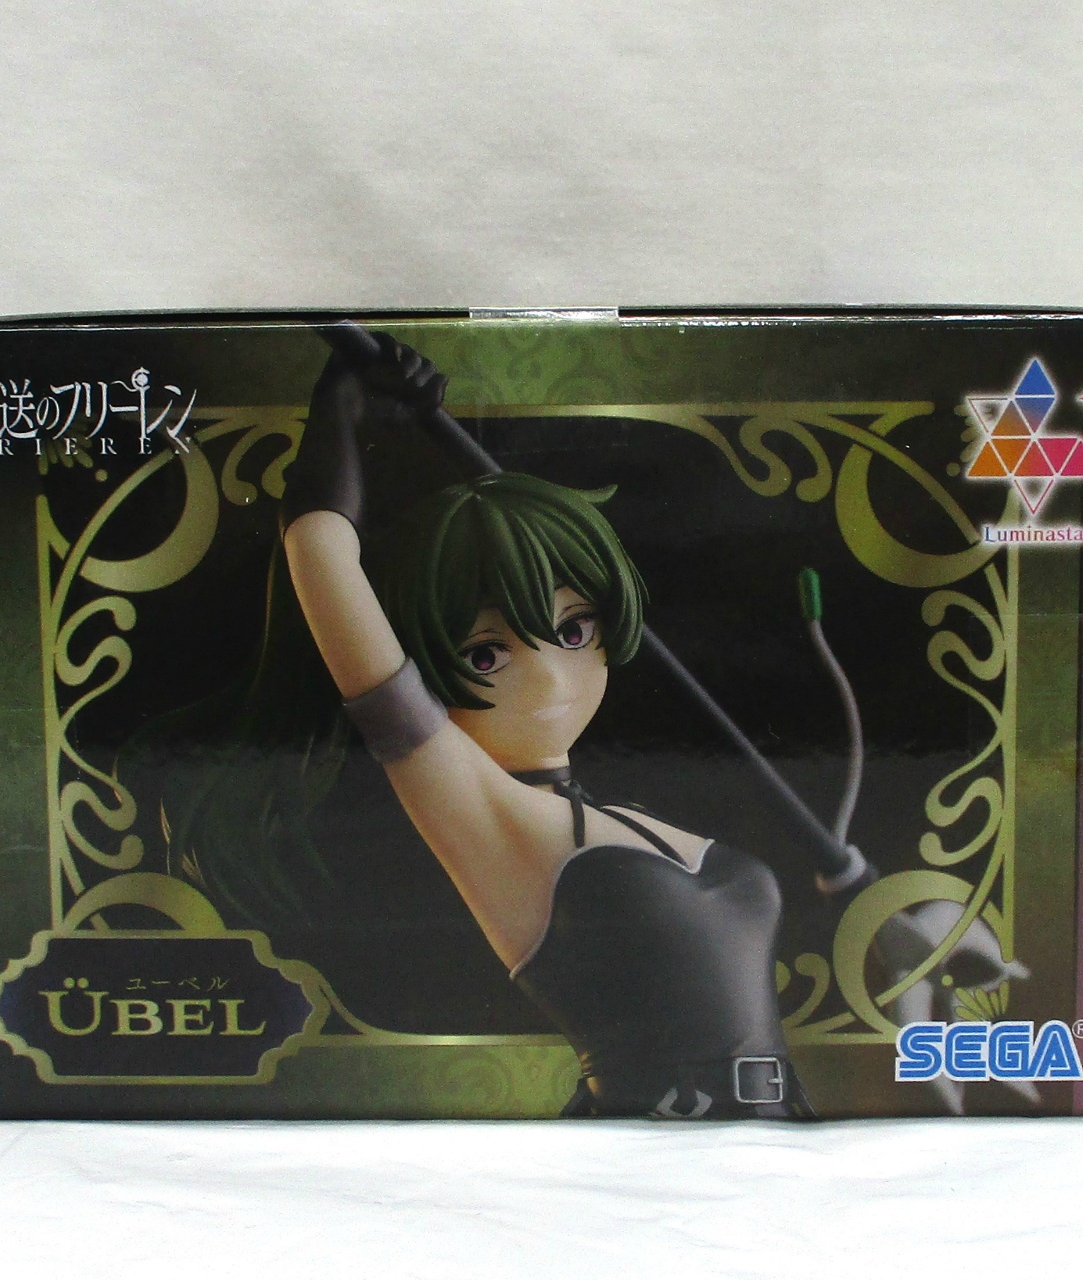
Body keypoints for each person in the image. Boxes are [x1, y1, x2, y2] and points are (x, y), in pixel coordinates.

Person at [279, 333, 814, 1119]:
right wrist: (340, 400)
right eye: (488, 653)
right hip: (654, 1145)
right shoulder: (484, 814)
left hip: (777, 1138)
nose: (552, 680)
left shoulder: (620, 816)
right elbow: (320, 551)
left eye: (572, 630)